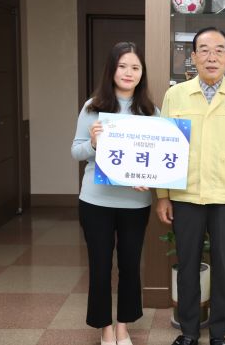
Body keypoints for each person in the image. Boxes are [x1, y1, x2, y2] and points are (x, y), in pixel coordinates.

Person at [156, 27, 225, 345]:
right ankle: (188, 331)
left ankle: (219, 332)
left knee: (224, 267)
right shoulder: (176, 95)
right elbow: (164, 146)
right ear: (193, 56)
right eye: (204, 50)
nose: (211, 57)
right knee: (188, 265)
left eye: (218, 50)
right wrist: (163, 196)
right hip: (186, 193)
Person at [71, 42, 156, 345]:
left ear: (142, 73)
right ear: (111, 70)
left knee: (130, 266)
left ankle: (123, 327)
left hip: (135, 203)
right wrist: (93, 144)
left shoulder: (150, 112)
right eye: (122, 66)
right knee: (100, 266)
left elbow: (157, 160)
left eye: (135, 67)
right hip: (96, 201)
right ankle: (105, 328)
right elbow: (76, 151)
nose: (128, 73)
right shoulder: (93, 107)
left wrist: (150, 178)